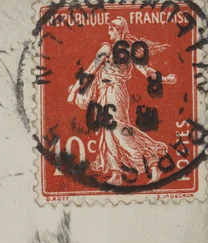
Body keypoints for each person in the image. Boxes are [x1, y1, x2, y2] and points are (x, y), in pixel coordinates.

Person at [66, 17, 177, 185]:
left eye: (111, 28)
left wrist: (166, 79)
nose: (108, 31)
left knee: (118, 129)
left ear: (119, 30)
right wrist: (75, 89)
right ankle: (116, 173)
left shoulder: (127, 50)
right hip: (104, 94)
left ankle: (153, 159)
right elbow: (90, 71)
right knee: (108, 133)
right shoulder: (106, 48)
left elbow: (146, 70)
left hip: (116, 92)